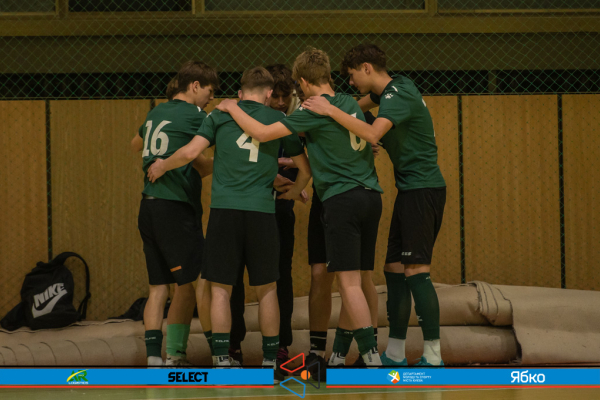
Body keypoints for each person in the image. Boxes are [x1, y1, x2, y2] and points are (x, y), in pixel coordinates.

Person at [215, 48, 384, 369]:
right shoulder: (348, 104)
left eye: (297, 88)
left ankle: (371, 358)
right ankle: (338, 355)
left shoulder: (312, 109)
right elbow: (337, 138)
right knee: (359, 278)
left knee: (349, 284)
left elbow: (262, 132)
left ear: (304, 82)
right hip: (371, 196)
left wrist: (232, 106)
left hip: (341, 199)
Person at [147, 66, 311, 380]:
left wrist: (163, 165)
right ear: (268, 94)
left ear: (239, 92)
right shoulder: (278, 120)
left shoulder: (219, 116)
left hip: (224, 212)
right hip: (262, 212)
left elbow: (191, 152)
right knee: (267, 290)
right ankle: (269, 361)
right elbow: (305, 168)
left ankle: (222, 360)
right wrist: (291, 192)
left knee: (221, 289)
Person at [302, 43, 446, 366]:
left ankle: (434, 356)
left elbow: (371, 132)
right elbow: (354, 108)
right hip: (408, 189)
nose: (351, 83)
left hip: (424, 189)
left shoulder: (399, 92)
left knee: (416, 271)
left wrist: (329, 110)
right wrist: (332, 106)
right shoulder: (390, 92)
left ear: (367, 68)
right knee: (393, 269)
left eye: (353, 75)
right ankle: (394, 353)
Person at [130, 60, 218, 366]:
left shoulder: (156, 111)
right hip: (175, 208)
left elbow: (135, 144)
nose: (211, 98)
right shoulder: (196, 115)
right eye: (209, 91)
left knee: (158, 287)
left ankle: (155, 358)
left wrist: (168, 154)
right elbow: (216, 148)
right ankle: (212, 353)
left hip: (148, 206)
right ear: (195, 86)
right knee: (198, 281)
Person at [228, 64, 304, 370]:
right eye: (277, 96)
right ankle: (232, 345)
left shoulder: (292, 122)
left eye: (287, 96)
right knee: (233, 276)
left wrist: (294, 185)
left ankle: (279, 346)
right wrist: (276, 174)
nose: (281, 102)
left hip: (279, 209)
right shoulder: (242, 118)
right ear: (266, 93)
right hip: (245, 206)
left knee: (279, 277)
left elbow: (307, 161)